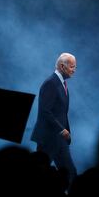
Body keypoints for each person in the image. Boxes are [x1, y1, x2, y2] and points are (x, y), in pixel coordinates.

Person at [30, 52, 77, 187]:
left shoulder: (61, 84)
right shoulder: (51, 83)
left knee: (71, 173)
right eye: (72, 66)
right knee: (37, 176)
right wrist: (62, 130)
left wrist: (66, 132)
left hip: (59, 139)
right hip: (48, 138)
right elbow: (45, 111)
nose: (74, 70)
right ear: (62, 66)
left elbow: (62, 113)